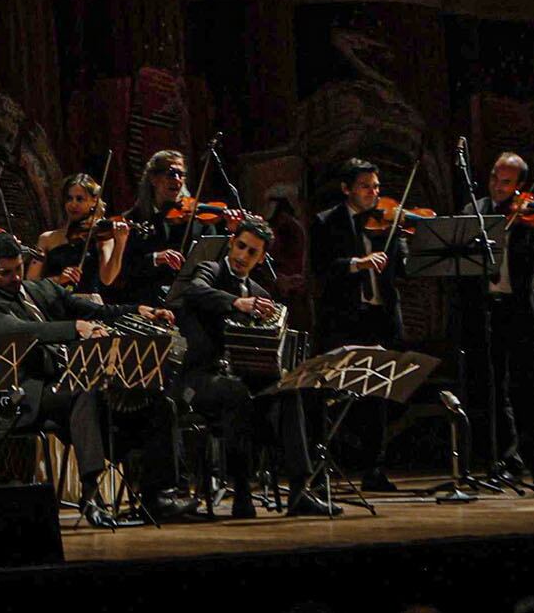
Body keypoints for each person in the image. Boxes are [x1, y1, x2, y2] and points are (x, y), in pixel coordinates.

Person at [0, 233, 189, 525]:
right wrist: (76, 328)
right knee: (86, 392)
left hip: (73, 380)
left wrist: (138, 309)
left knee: (157, 400)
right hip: (27, 392)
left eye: (18, 268)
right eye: (5, 272)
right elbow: (21, 330)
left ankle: (157, 495)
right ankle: (91, 494)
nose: (15, 277)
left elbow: (98, 310)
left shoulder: (41, 289)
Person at [170, 216, 334, 517]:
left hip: (243, 378)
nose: (243, 256)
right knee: (235, 393)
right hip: (201, 378)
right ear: (232, 243)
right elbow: (192, 292)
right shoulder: (211, 270)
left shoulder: (261, 293)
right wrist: (236, 303)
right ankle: (242, 492)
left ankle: (300, 490)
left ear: (261, 258)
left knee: (290, 390)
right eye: (241, 246)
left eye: (252, 252)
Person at [467, 152, 534, 487]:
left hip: (525, 312)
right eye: (495, 178)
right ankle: (507, 460)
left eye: (506, 182)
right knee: (497, 391)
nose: (497, 186)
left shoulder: (532, 216)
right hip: (488, 311)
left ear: (521, 186)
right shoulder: (475, 212)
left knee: (533, 390)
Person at [308, 157, 406, 491]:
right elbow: (321, 269)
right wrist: (356, 263)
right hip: (344, 319)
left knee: (379, 396)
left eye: (377, 187)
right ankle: (329, 466)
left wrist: (405, 237)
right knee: (338, 395)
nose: (373, 193)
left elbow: (402, 269)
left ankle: (373, 469)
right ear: (346, 188)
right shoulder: (325, 222)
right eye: (366, 187)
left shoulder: (388, 222)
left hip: (380, 317)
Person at [30, 173, 131, 296]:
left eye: (79, 199)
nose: (73, 204)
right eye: (69, 198)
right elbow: (31, 282)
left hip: (87, 305)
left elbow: (107, 279)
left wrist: (120, 242)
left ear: (94, 201)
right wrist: (57, 280)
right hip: (53, 303)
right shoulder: (46, 239)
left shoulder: (101, 237)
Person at [119, 149, 193, 307]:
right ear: (153, 178)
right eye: (172, 173)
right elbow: (124, 268)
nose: (178, 180)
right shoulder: (132, 219)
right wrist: (154, 258)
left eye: (182, 175)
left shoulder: (191, 217)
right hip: (144, 300)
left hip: (185, 300)